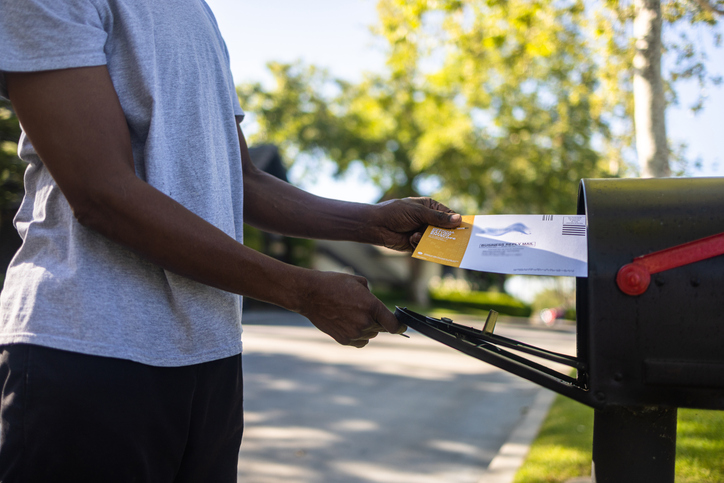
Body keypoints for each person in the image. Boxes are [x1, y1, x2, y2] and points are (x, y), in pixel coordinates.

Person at [0, 1, 461, 481]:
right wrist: (301, 290)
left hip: (212, 357)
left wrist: (373, 224)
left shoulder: (195, 11)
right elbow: (102, 193)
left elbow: (242, 179)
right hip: (87, 352)